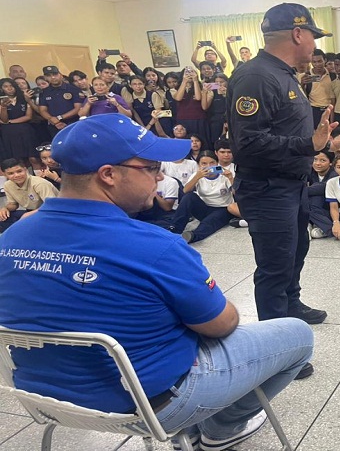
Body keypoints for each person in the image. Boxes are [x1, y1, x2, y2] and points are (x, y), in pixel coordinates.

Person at [0, 114, 313, 451]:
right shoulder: (154, 245)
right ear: (108, 175)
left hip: (45, 401)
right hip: (152, 407)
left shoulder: (11, 236)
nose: (161, 175)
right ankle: (221, 429)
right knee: (297, 335)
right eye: (150, 167)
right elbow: (222, 324)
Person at [226, 4, 340, 379]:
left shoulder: (282, 73)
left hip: (291, 185)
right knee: (274, 267)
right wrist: (309, 146)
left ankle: (292, 307)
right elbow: (248, 144)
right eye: (314, 35)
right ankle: (275, 350)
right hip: (268, 190)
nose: (315, 44)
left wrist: (323, 146)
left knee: (296, 251)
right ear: (298, 34)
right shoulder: (256, 77)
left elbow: (289, 135)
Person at [170, 150, 234, 244]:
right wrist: (197, 177)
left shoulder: (225, 174)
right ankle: (175, 229)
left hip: (222, 208)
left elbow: (238, 194)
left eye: (212, 163)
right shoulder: (197, 175)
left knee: (209, 222)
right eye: (204, 163)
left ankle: (193, 236)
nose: (208, 166)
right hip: (204, 207)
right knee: (189, 197)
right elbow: (185, 191)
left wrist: (231, 178)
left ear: (217, 163)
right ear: (199, 165)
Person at [0, 157, 59, 232]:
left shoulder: (39, 183)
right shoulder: (7, 185)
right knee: (3, 218)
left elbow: (52, 206)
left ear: (25, 169)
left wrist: (29, 215)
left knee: (30, 225)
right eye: (10, 173)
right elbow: (13, 204)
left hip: (50, 213)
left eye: (19, 171)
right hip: (31, 212)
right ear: (5, 175)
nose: (16, 175)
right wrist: (5, 208)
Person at [37, 66, 83, 138]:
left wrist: (59, 118)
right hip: (54, 126)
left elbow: (78, 108)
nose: (52, 77)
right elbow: (42, 110)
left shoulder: (73, 89)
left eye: (55, 74)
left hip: (73, 123)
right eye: (49, 76)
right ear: (45, 78)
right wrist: (53, 120)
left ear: (60, 75)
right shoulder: (44, 92)